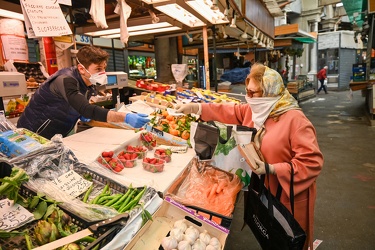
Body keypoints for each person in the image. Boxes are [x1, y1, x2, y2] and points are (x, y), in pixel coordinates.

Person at [175, 63, 323, 250]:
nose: (249, 97)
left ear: (270, 91)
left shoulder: (296, 120)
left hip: (287, 193)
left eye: (254, 93)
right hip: (265, 190)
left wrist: (271, 168)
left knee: (290, 240)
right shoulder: (257, 111)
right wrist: (196, 108)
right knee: (270, 237)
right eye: (247, 91)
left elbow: (312, 163)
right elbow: (230, 111)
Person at [17, 46, 150, 139]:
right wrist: (125, 117)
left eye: (104, 68)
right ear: (81, 68)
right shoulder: (66, 80)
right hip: (34, 133)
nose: (102, 72)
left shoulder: (88, 81)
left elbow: (82, 106)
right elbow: (86, 109)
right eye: (98, 68)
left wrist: (81, 112)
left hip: (59, 132)